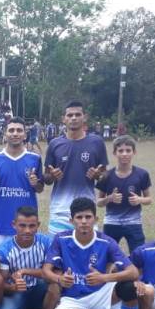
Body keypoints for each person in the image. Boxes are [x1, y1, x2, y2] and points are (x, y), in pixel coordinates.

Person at [42, 197, 142, 309]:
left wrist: (104, 277)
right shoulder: (61, 239)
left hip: (101, 292)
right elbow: (46, 271)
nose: (84, 222)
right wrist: (59, 279)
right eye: (79, 217)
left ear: (96, 219)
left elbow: (132, 272)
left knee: (130, 287)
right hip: (73, 297)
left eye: (88, 217)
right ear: (71, 220)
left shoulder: (106, 241)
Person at [43, 101, 108, 237]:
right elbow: (46, 179)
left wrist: (98, 176)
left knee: (87, 252)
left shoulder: (97, 142)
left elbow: (105, 175)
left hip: (86, 210)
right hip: (60, 210)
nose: (74, 118)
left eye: (77, 114)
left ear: (85, 117)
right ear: (64, 119)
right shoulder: (55, 144)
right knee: (58, 253)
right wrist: (52, 176)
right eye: (70, 115)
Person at [0, 117, 44, 246]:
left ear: (25, 135)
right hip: (0, 221)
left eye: (19, 130)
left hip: (27, 223)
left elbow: (40, 188)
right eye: (11, 130)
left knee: (25, 262)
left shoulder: (34, 158)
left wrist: (36, 184)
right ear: (5, 134)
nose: (15, 133)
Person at [95, 135, 152, 253]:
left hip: (134, 222)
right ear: (115, 153)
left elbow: (149, 199)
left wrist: (139, 199)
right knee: (107, 255)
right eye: (120, 151)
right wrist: (109, 198)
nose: (124, 154)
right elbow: (99, 202)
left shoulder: (142, 174)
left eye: (128, 150)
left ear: (134, 152)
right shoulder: (106, 176)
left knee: (138, 255)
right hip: (112, 222)